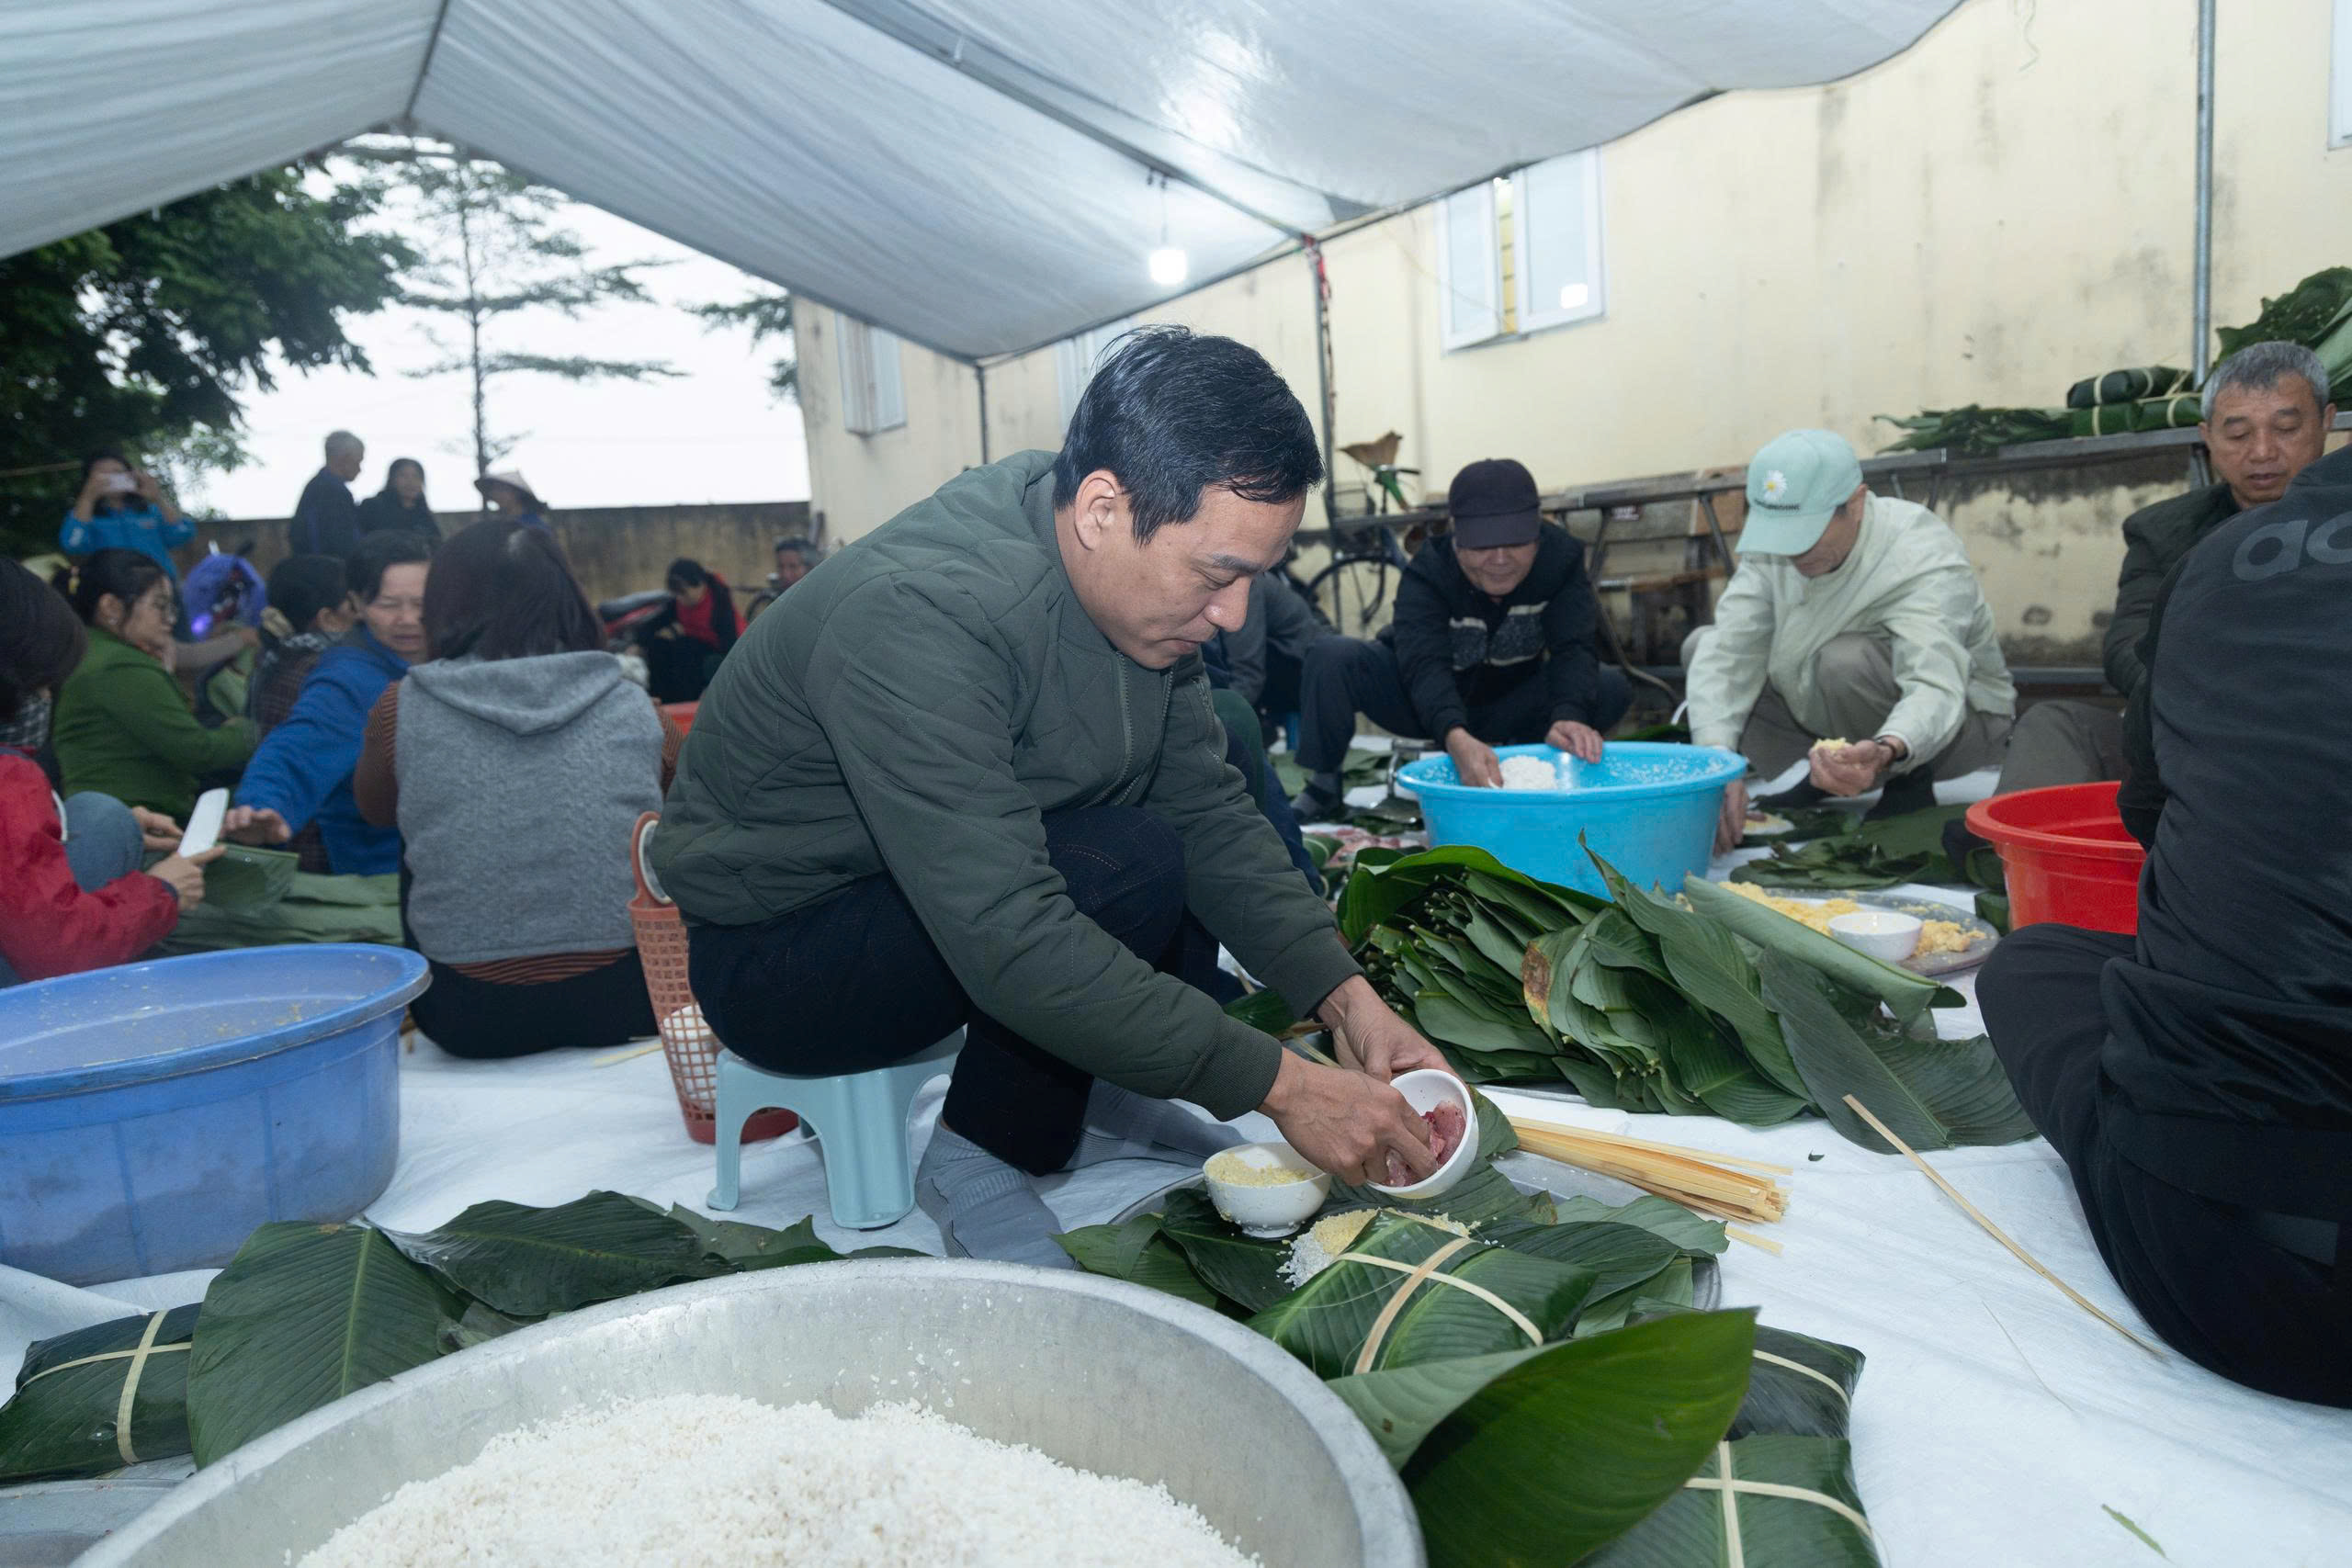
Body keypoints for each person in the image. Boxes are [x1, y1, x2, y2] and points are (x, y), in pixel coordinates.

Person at [650, 326, 1449, 1269]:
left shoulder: (1117, 571)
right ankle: (983, 1151)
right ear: (1105, 509)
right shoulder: (920, 614)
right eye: (1217, 576)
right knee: (1127, 865)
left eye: (1254, 580)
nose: (1234, 616)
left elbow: (1209, 807)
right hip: (786, 956)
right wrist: (1286, 1089)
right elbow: (1006, 933)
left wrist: (1343, 995)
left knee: (1154, 842)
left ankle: (1087, 1088)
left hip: (926, 904)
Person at [1975, 442, 2352, 1405]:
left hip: (2217, 1268)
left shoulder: (2224, 559)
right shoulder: (2171, 541)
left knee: (2036, 964)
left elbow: (2151, 809)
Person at [353, 520, 664, 1056]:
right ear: (569, 599)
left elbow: (376, 812)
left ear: (443, 604)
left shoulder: (402, 707)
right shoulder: (632, 702)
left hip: (464, 1016)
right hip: (633, 1001)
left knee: (418, 816)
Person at [1994, 342, 2337, 794]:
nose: (2262, 451)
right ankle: (2023, 862)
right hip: (2189, 736)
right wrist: (2203, 700)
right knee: (2056, 725)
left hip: (2323, 746)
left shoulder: (2341, 523)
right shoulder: (2163, 530)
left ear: (2327, 423)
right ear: (2207, 436)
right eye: (2237, 435)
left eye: (2287, 429)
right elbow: (2127, 645)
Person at [1685, 429, 2016, 852]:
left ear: (1855, 504)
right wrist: (1718, 766)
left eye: (1806, 532)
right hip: (1821, 703)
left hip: (1956, 727)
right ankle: (1826, 770)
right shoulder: (1774, 550)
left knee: (1844, 660)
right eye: (1779, 533)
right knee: (1703, 647)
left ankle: (1907, 781)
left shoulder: (1918, 551)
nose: (1791, 553)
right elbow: (1731, 649)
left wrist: (1888, 748)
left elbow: (1935, 684)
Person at [1290, 457, 1632, 818]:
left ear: (1537, 533)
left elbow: (1573, 647)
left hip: (1510, 701)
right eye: (1483, 546)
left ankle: (1525, 766)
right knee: (1332, 655)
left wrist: (1569, 714)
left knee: (1609, 685)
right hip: (1423, 701)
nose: (1500, 559)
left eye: (1516, 542)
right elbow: (1424, 665)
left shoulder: (1560, 560)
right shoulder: (1428, 572)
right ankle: (1324, 785)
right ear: (1457, 538)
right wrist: (1453, 734)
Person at [0, 561, 221, 986]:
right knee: (101, 816)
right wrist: (162, 891)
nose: (47, 699)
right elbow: (57, 947)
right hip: (22, 995)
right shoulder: (120, 669)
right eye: (42, 686)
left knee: (99, 815)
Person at [222, 532, 427, 874]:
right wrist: (261, 805)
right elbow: (296, 749)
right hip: (385, 873)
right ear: (357, 604)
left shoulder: (453, 653)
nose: (407, 618)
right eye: (388, 604)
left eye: (422, 603)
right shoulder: (349, 679)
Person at [50, 550, 256, 819]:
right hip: (138, 826)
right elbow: (197, 751)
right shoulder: (118, 666)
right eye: (159, 605)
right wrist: (249, 729)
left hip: (114, 818)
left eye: (172, 607)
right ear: (111, 608)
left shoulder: (94, 652)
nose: (170, 619)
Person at [247, 554, 355, 873]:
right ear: (329, 619)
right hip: (324, 848)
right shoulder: (326, 673)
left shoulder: (277, 657)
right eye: (354, 604)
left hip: (291, 836)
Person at [1215, 570, 1327, 740]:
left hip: (1304, 675)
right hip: (1285, 663)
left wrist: (1216, 719)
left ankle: (1255, 727)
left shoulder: (1243, 585)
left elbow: (1248, 673)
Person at [59, 452, 193, 587]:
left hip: (161, 587)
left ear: (131, 475)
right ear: (89, 479)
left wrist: (158, 498)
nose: (111, 478)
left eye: (117, 472)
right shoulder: (84, 516)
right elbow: (73, 545)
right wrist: (88, 497)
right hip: (112, 591)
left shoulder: (151, 511)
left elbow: (182, 535)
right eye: (102, 474)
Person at [635, 558, 743, 703]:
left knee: (685, 649)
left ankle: (684, 703)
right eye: (677, 594)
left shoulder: (719, 602)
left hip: (720, 651)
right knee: (658, 646)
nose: (680, 599)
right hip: (692, 646)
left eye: (683, 593)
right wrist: (638, 644)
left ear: (700, 585)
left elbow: (730, 642)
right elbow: (652, 624)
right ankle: (659, 702)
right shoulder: (680, 603)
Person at [291, 430, 367, 558]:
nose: (360, 469)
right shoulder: (330, 492)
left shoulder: (318, 486)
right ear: (344, 459)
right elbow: (340, 542)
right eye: (358, 461)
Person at [356, 457, 441, 545]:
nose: (410, 482)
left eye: (416, 476)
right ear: (392, 479)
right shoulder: (372, 507)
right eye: (403, 476)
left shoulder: (424, 516)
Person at [474, 470, 549, 531]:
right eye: (494, 490)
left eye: (501, 489)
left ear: (517, 492)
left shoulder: (534, 526)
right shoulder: (499, 525)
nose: (496, 494)